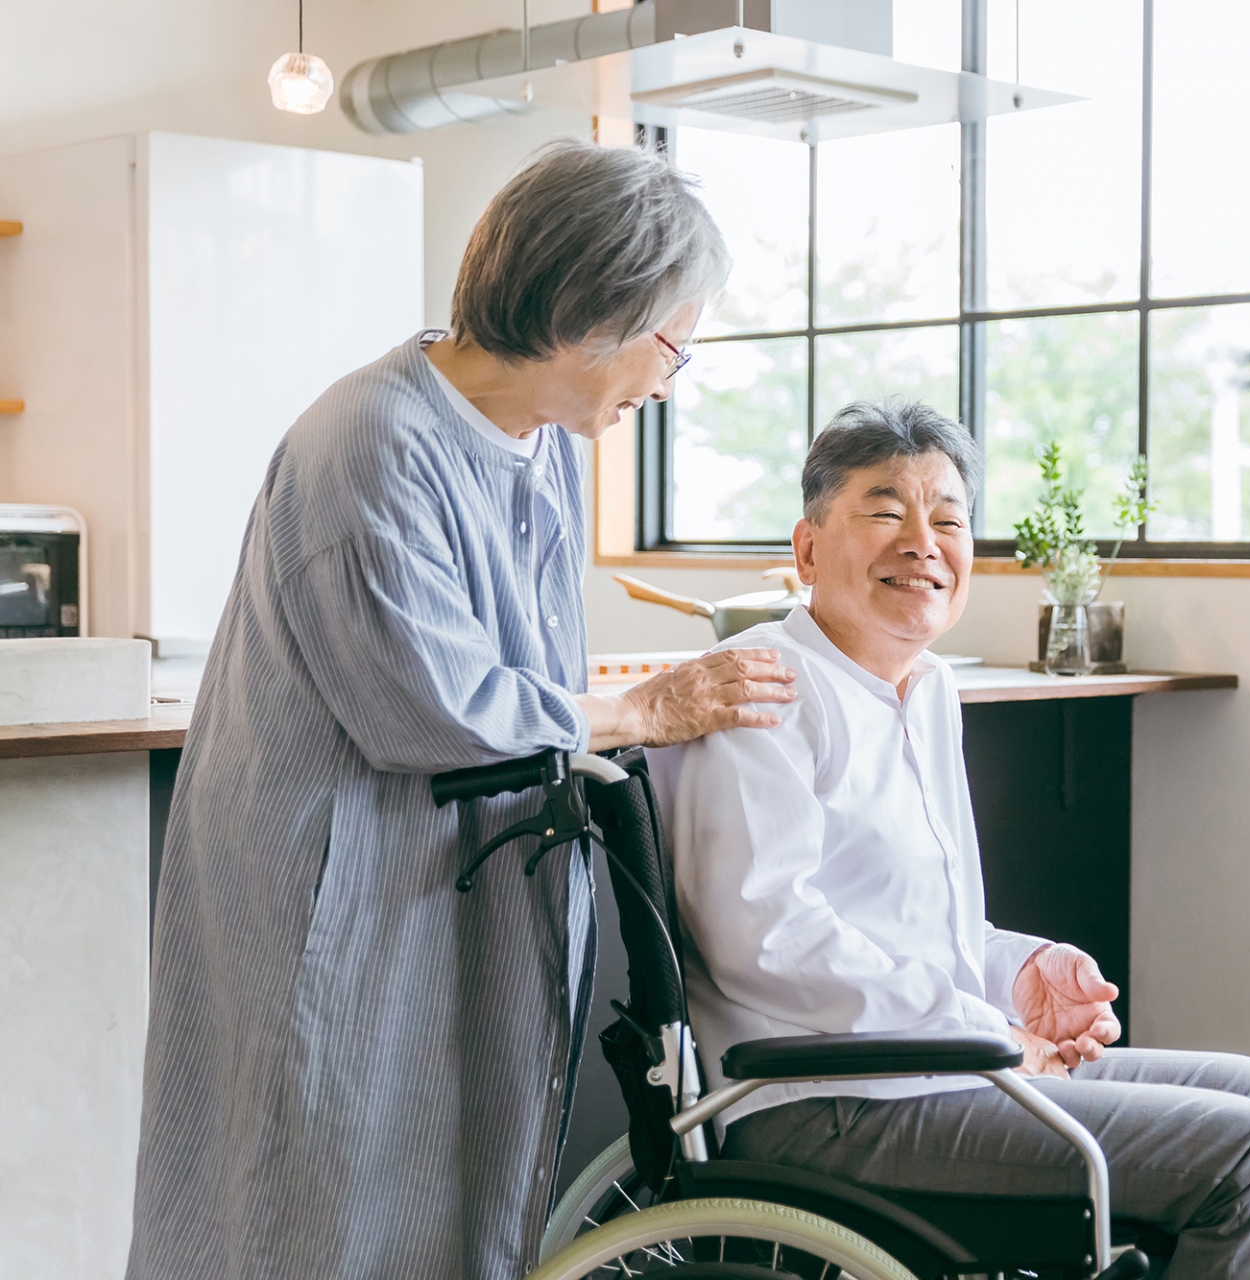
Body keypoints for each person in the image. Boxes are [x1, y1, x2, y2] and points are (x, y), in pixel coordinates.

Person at [130, 143, 798, 1280]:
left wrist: (611, 707)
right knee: (315, 1179)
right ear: (591, 309)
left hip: (451, 871)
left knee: (450, 1181)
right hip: (339, 882)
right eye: (673, 342)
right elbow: (435, 704)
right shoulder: (370, 442)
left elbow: (528, 665)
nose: (671, 379)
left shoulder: (544, 447)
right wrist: (640, 708)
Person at [649, 399, 1250, 1278]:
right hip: (824, 1103)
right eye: (885, 512)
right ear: (807, 550)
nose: (923, 542)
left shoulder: (928, 691)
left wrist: (1017, 971)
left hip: (939, 1067)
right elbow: (765, 939)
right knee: (1246, 1154)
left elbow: (922, 928)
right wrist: (984, 1024)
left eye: (948, 520)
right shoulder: (763, 687)